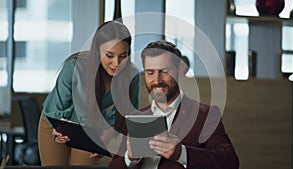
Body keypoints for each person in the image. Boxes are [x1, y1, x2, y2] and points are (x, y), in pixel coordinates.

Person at [108, 40, 239, 169]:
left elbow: (230, 162)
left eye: (164, 71)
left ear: (180, 69)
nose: (157, 80)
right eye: (150, 72)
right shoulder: (134, 118)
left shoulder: (205, 115)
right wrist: (129, 158)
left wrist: (181, 153)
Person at [38, 20, 140, 166]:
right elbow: (56, 109)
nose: (116, 63)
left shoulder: (132, 75)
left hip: (92, 129)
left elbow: (128, 115)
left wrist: (105, 138)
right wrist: (58, 130)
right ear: (97, 51)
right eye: (109, 55)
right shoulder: (74, 67)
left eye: (123, 56)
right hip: (58, 124)